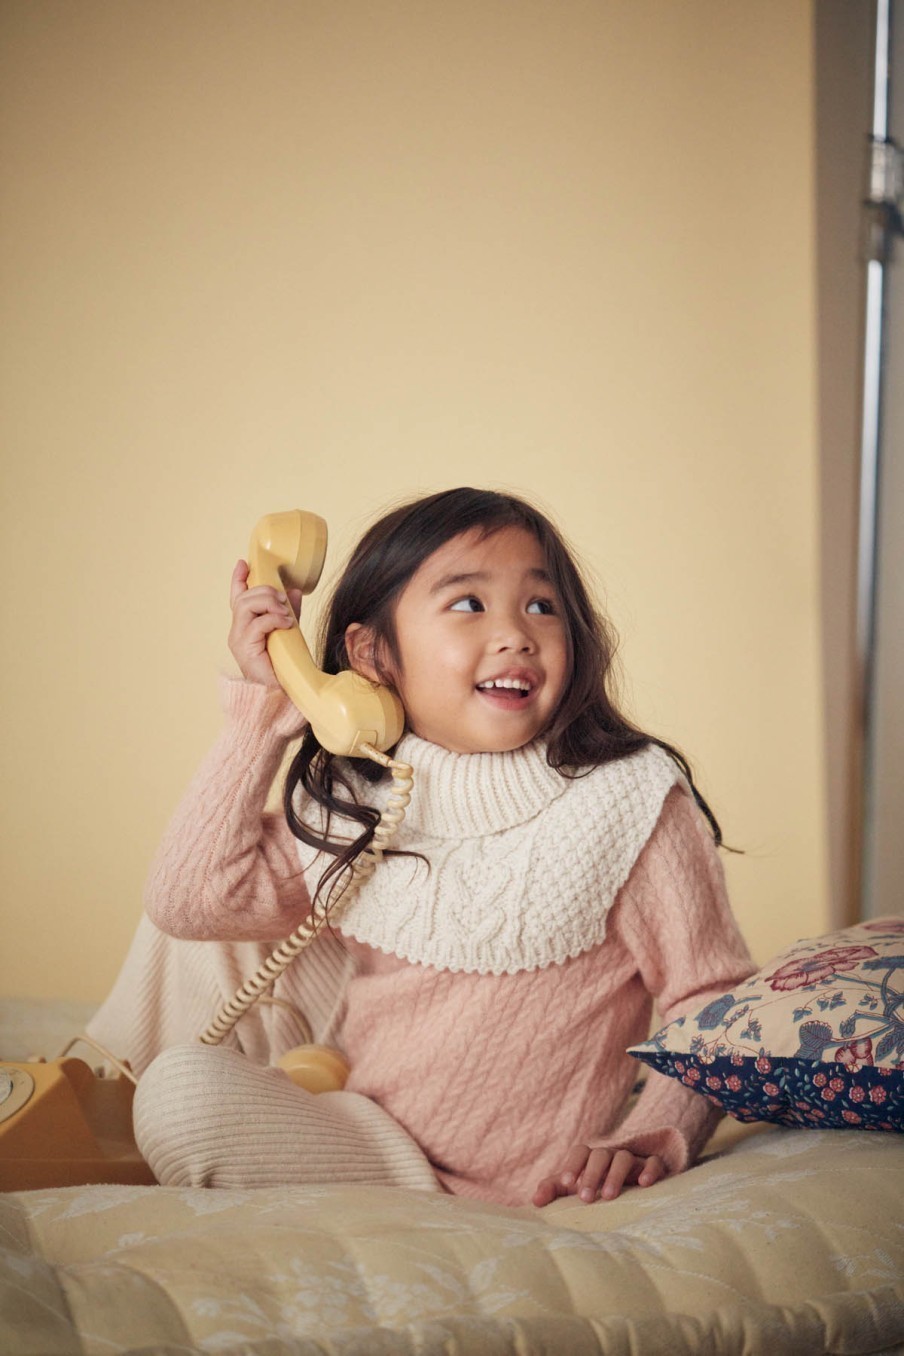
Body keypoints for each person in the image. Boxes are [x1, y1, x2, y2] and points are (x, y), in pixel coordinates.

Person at [88, 486, 755, 1207]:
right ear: (372, 654)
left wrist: (657, 1130)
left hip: (501, 1186)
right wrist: (265, 711)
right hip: (365, 1135)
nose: (516, 634)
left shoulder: (628, 799)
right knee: (186, 1050)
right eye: (469, 604)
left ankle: (136, 1127)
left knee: (180, 1095)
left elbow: (711, 995)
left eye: (542, 605)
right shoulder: (362, 795)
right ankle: (86, 1111)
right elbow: (188, 904)